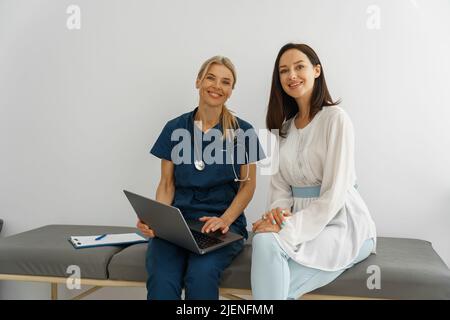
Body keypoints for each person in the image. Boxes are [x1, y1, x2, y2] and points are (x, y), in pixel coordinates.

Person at [251, 43, 377, 300]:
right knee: (264, 242)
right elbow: (279, 189)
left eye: (299, 67)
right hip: (296, 221)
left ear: (316, 70)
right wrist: (277, 217)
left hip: (342, 223)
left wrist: (288, 228)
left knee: (275, 278)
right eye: (284, 71)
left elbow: (335, 193)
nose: (291, 75)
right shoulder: (283, 129)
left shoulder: (336, 119)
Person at [137, 56, 264, 300]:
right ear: (198, 81)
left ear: (230, 91)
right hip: (177, 224)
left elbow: (248, 185)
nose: (217, 86)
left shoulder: (243, 132)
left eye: (225, 82)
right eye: (211, 78)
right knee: (162, 276)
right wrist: (156, 219)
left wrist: (225, 220)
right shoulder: (175, 128)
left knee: (201, 274)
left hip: (223, 225)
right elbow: (166, 184)